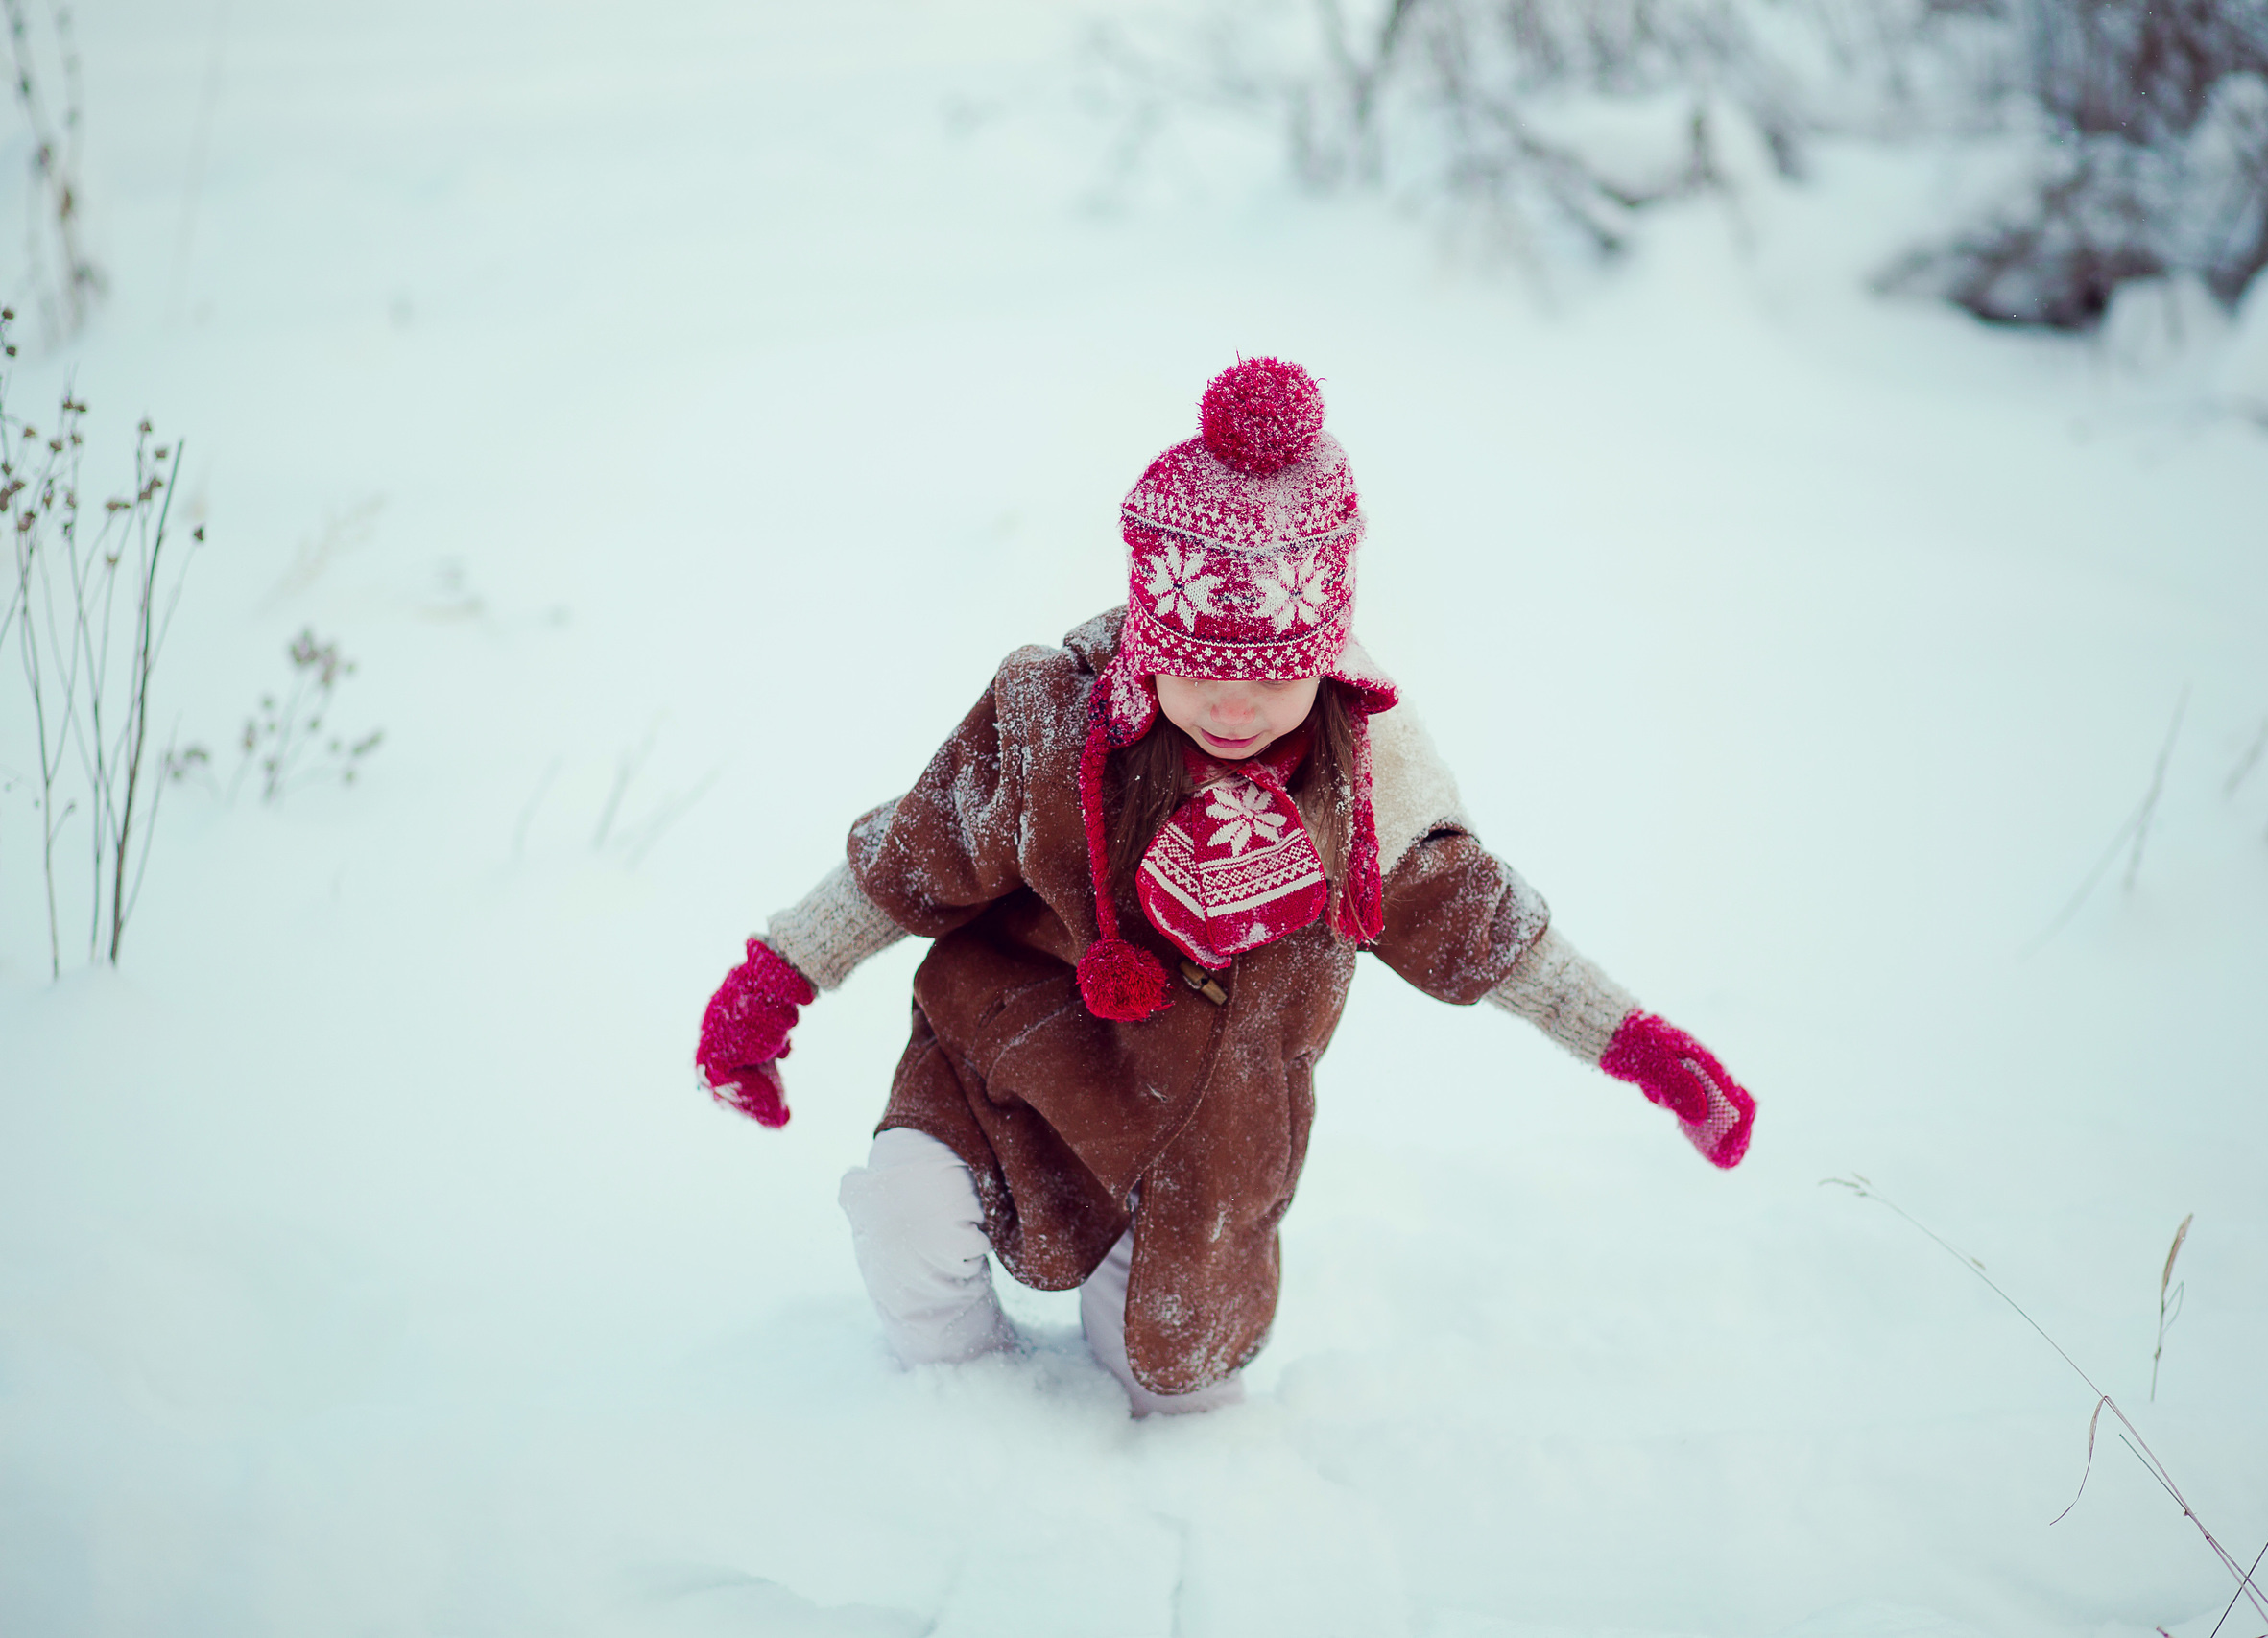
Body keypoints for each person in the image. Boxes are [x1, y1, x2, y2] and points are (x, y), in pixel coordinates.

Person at [693, 357, 1756, 1416]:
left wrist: (1642, 1046)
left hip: (1206, 1128)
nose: (1235, 709)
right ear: (1150, 641)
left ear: (1327, 658)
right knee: (905, 1220)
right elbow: (910, 858)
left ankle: (1182, 1451)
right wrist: (776, 982)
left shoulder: (1362, 787)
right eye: (1197, 670)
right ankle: (964, 1410)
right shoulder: (1050, 730)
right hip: (1009, 1057)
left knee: (1169, 1371)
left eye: (1274, 678)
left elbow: (1484, 931)